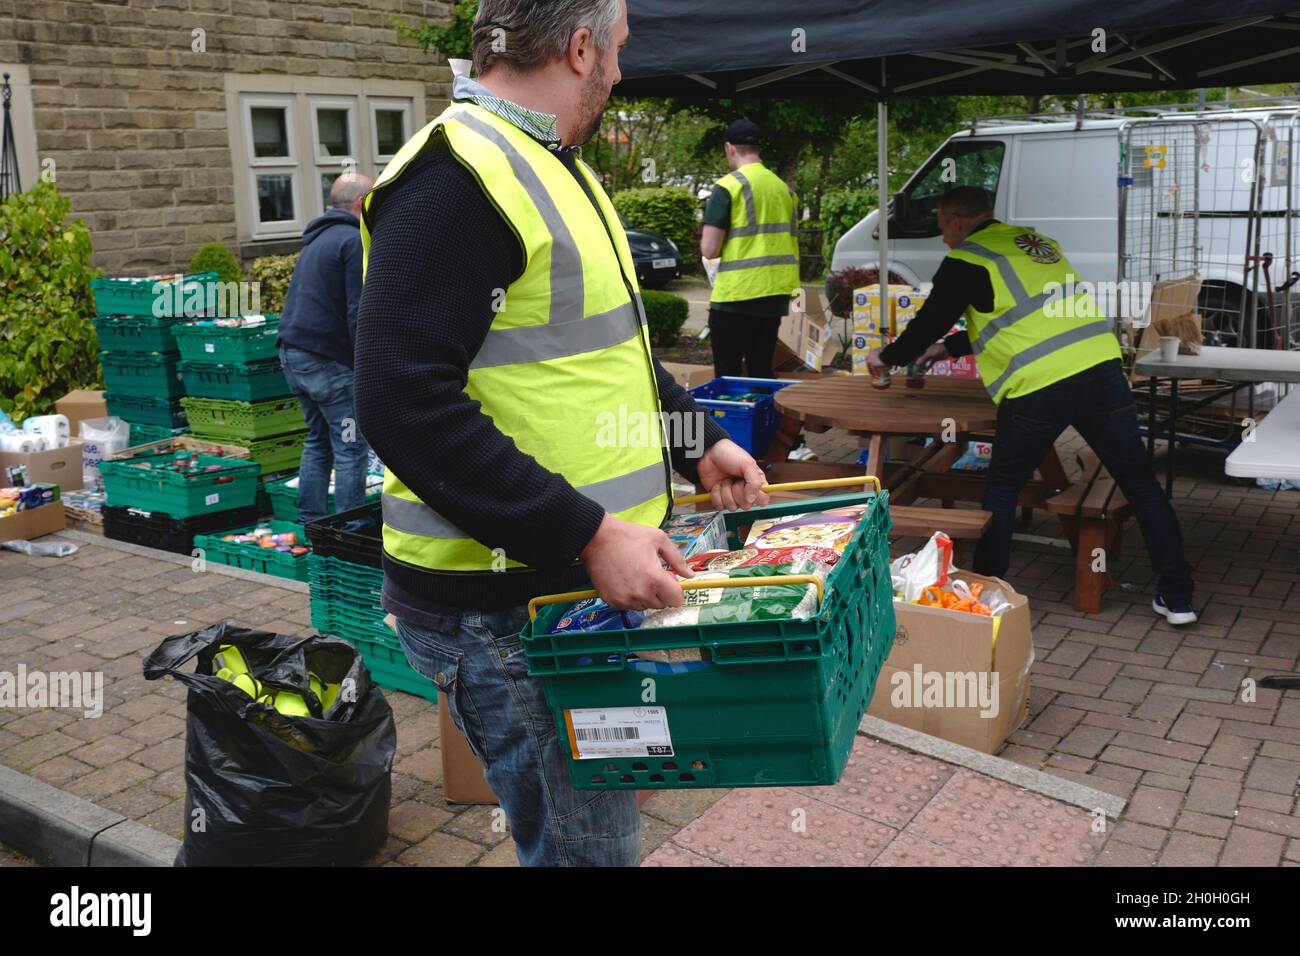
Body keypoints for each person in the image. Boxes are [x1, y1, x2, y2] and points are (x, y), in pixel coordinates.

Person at [354, 0, 768, 867]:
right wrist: (583, 532)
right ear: (580, 49)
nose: (619, 72)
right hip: (506, 609)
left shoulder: (550, 163)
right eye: (616, 50)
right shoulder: (455, 178)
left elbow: (607, 352)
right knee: (589, 852)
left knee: (597, 829)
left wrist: (697, 440)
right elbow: (400, 402)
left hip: (560, 586)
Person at [867, 185, 1196, 625]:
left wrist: (886, 357)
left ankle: (981, 597)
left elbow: (929, 322)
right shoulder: (1037, 245)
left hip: (1039, 386)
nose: (943, 237)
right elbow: (1024, 315)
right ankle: (1178, 597)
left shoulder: (967, 258)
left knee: (1002, 488)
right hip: (1101, 370)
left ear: (957, 222)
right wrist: (948, 350)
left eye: (943, 227)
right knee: (1140, 484)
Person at [276, 171, 375, 524]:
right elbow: (357, 310)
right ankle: (348, 530)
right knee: (349, 446)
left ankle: (311, 522)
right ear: (363, 204)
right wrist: (365, 364)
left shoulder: (316, 239)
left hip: (293, 354)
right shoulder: (351, 242)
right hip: (326, 362)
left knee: (318, 441)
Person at [699, 119, 802, 379]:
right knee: (760, 371)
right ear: (758, 148)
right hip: (773, 296)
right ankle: (764, 419)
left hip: (736, 296)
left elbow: (709, 249)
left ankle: (729, 422)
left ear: (730, 148)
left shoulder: (727, 187)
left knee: (727, 376)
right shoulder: (784, 190)